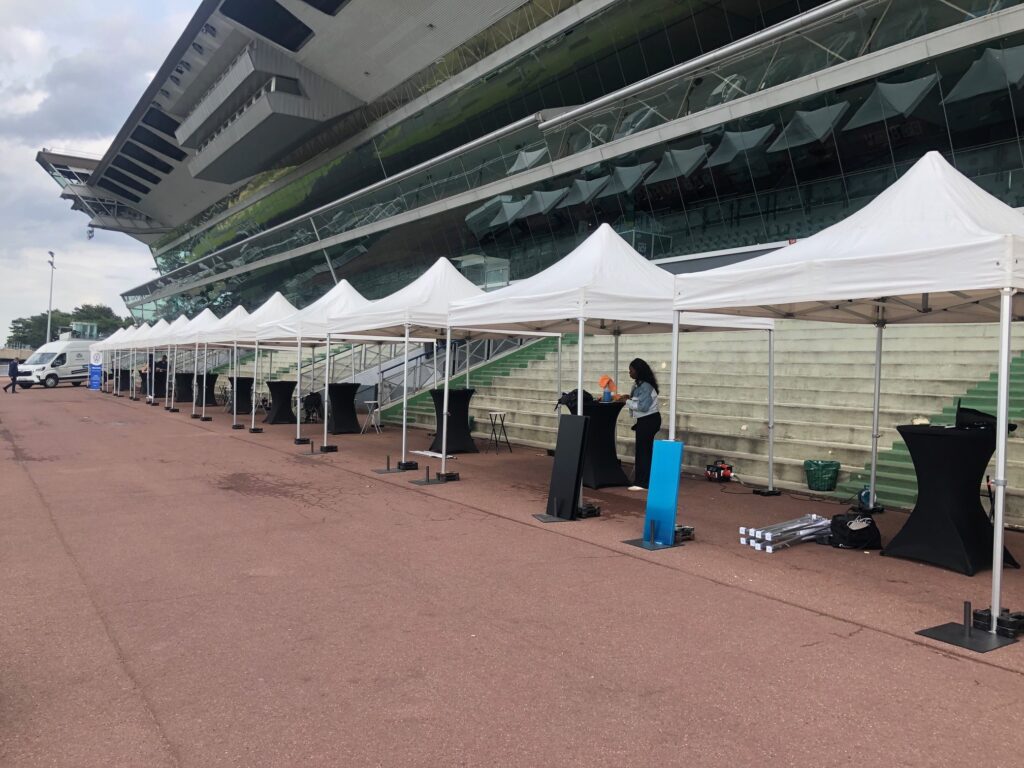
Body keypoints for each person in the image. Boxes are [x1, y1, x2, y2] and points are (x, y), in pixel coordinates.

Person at [621, 358, 661, 491]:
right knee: (642, 450)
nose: (629, 373)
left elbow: (643, 407)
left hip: (649, 420)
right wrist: (629, 398)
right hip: (645, 420)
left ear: (638, 371)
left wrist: (626, 401)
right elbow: (638, 401)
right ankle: (641, 479)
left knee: (643, 451)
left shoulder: (646, 386)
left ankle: (643, 482)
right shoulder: (639, 384)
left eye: (631, 370)